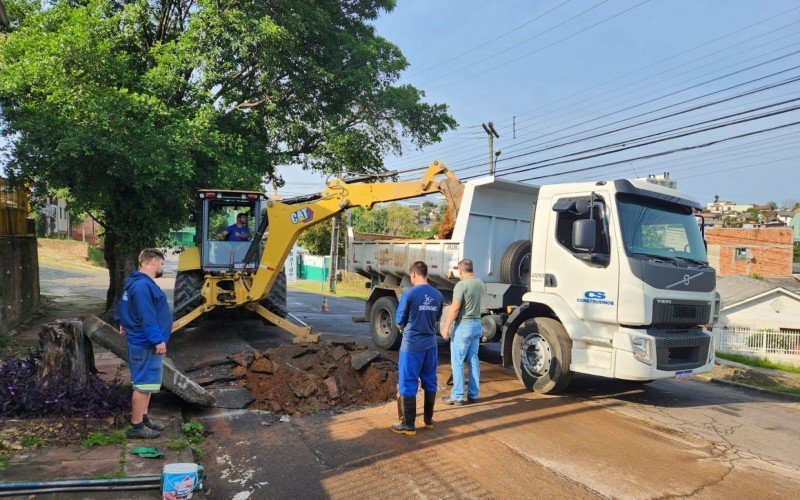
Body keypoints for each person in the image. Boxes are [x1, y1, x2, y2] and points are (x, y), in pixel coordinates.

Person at [114, 248, 171, 439]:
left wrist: (121, 321)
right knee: (142, 385)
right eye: (162, 263)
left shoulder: (136, 283)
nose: (163, 267)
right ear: (153, 261)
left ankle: (144, 418)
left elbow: (123, 305)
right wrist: (158, 340)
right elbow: (147, 316)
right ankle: (136, 426)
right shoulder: (141, 286)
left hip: (142, 341)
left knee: (148, 384)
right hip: (145, 343)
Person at [391, 261, 443, 436]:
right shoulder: (437, 295)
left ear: (413, 274)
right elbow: (436, 320)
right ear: (426, 274)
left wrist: (403, 326)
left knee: (408, 382)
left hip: (412, 345)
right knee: (430, 380)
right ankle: (428, 420)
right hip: (430, 345)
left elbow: (399, 321)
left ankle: (408, 424)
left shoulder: (409, 294)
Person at [441, 259, 485, 406]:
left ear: (460, 271)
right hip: (477, 325)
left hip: (463, 326)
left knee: (457, 362)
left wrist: (446, 327)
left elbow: (455, 308)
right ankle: (473, 394)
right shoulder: (480, 283)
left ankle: (457, 395)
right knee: (473, 360)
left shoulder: (461, 285)